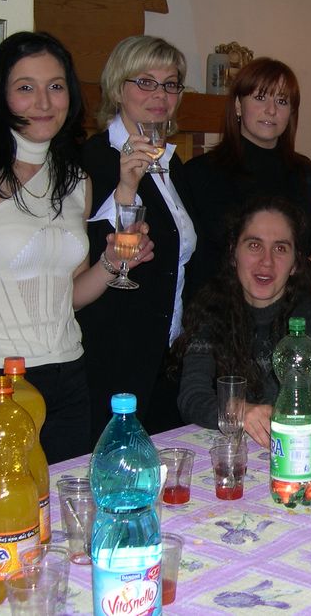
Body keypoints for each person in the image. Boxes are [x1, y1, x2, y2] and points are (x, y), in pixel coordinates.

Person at [0, 31, 152, 486]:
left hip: (69, 379)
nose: (44, 102)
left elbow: (70, 296)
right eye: (26, 87)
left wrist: (111, 262)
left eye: (56, 86)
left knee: (58, 517)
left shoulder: (76, 181)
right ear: (1, 95)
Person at [76, 35, 196, 442]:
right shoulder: (91, 160)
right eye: (145, 81)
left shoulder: (172, 164)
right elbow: (102, 253)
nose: (160, 95)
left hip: (165, 348)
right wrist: (126, 187)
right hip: (112, 349)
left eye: (170, 84)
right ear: (117, 88)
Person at [174, 197, 311, 447]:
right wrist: (239, 411)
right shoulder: (211, 309)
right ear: (233, 254)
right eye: (254, 245)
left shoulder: (310, 319)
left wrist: (231, 408)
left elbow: (291, 405)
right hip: (233, 451)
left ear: (295, 264)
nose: (266, 261)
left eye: (280, 248)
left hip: (297, 452)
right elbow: (192, 397)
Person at [176, 57, 311, 301]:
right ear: (238, 106)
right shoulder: (200, 172)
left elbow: (300, 250)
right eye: (260, 97)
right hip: (217, 308)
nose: (271, 110)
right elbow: (194, 260)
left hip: (284, 307)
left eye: (282, 101)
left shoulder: (302, 171)